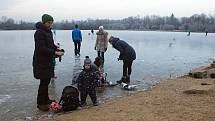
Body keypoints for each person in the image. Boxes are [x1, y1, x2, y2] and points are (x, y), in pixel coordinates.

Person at [33, 14, 64, 111]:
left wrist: (57, 49)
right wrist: (55, 52)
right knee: (43, 82)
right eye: (48, 23)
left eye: (51, 23)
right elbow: (41, 48)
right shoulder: (39, 33)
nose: (50, 25)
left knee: (46, 81)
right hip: (41, 62)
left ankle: (46, 99)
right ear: (44, 22)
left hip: (47, 61)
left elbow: (50, 45)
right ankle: (40, 103)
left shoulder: (48, 32)